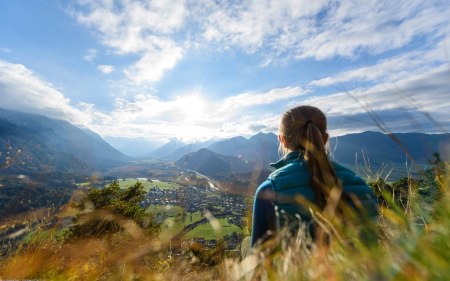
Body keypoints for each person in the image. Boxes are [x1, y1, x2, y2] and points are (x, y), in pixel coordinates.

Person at [250, 105, 378, 250]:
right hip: (357, 272)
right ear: (324, 139)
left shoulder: (270, 189)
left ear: (282, 140)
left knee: (245, 243)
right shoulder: (361, 187)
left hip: (297, 272)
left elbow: (259, 257)